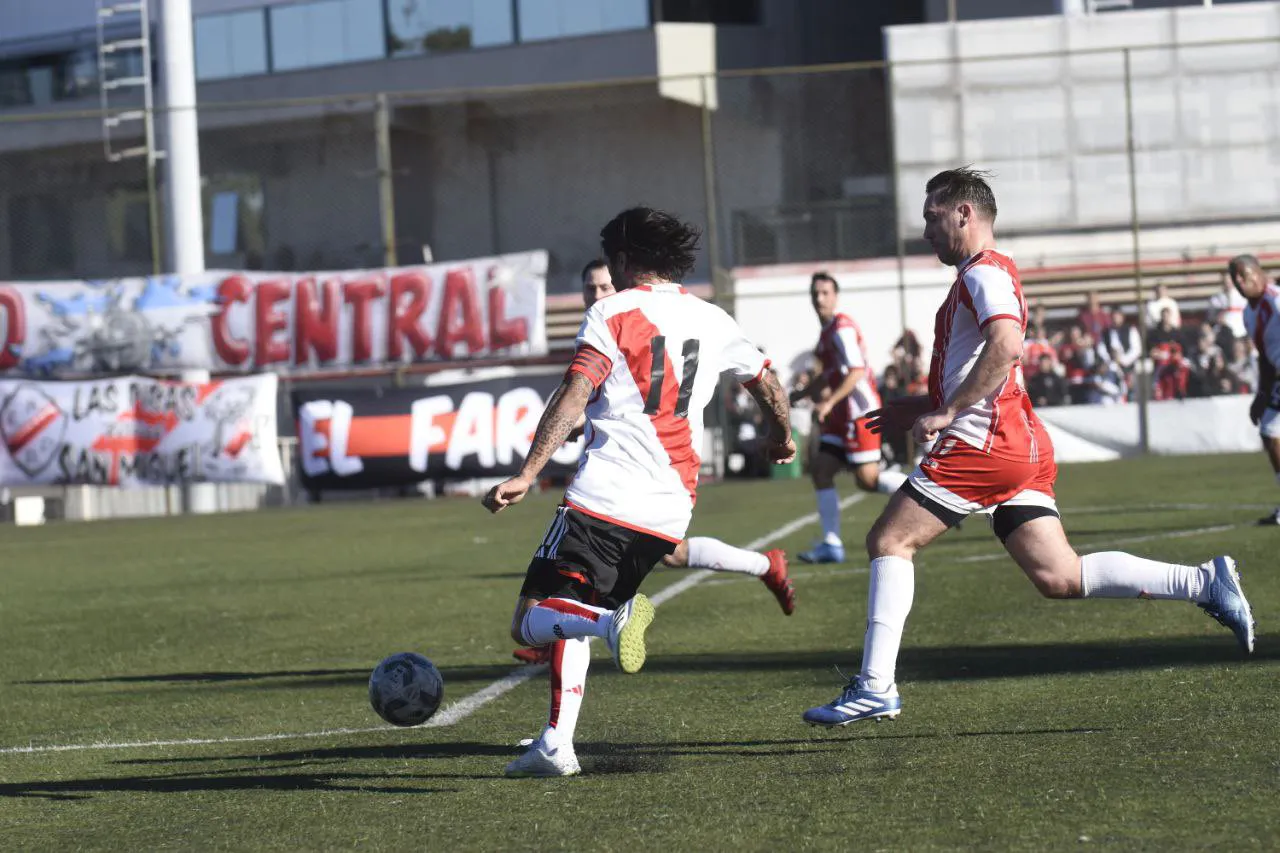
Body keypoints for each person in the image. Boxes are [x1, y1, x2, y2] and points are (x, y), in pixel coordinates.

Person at [802, 168, 1254, 728]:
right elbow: (982, 361)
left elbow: (1007, 346)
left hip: (984, 444)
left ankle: (875, 686)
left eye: (932, 217)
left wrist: (946, 411)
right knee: (1059, 575)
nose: (926, 231)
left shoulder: (983, 272)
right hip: (1016, 439)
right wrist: (921, 404)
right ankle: (1204, 582)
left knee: (889, 540)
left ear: (964, 213)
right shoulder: (986, 273)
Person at [485, 207, 796, 776]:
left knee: (530, 619)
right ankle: (556, 743)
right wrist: (782, 436)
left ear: (625, 260)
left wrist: (528, 472)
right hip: (670, 509)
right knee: (575, 607)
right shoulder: (713, 318)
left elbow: (575, 391)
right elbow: (768, 383)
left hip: (606, 496)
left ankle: (611, 627)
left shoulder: (611, 311)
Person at [511, 259, 797, 668]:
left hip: (631, 483)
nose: (597, 294)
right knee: (666, 555)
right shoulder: (667, 320)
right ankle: (766, 565)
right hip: (667, 495)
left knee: (565, 599)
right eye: (590, 288)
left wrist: (530, 469)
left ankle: (565, 626)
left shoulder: (621, 322)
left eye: (605, 286)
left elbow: (625, 399)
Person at [787, 272, 908, 563]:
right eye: (815, 294)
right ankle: (832, 545)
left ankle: (928, 493)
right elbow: (828, 375)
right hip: (841, 416)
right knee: (821, 470)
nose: (819, 299)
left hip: (859, 413)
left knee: (867, 480)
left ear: (835, 297)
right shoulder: (827, 333)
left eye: (825, 293)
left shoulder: (842, 329)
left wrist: (828, 402)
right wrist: (800, 394)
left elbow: (855, 372)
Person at [1228, 255, 1280, 526]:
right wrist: (1262, 393)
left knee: (1271, 431)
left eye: (1243, 274)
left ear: (1259, 274)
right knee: (1270, 431)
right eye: (1234, 277)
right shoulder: (1248, 313)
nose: (1239, 281)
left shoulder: (1276, 301)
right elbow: (1265, 357)